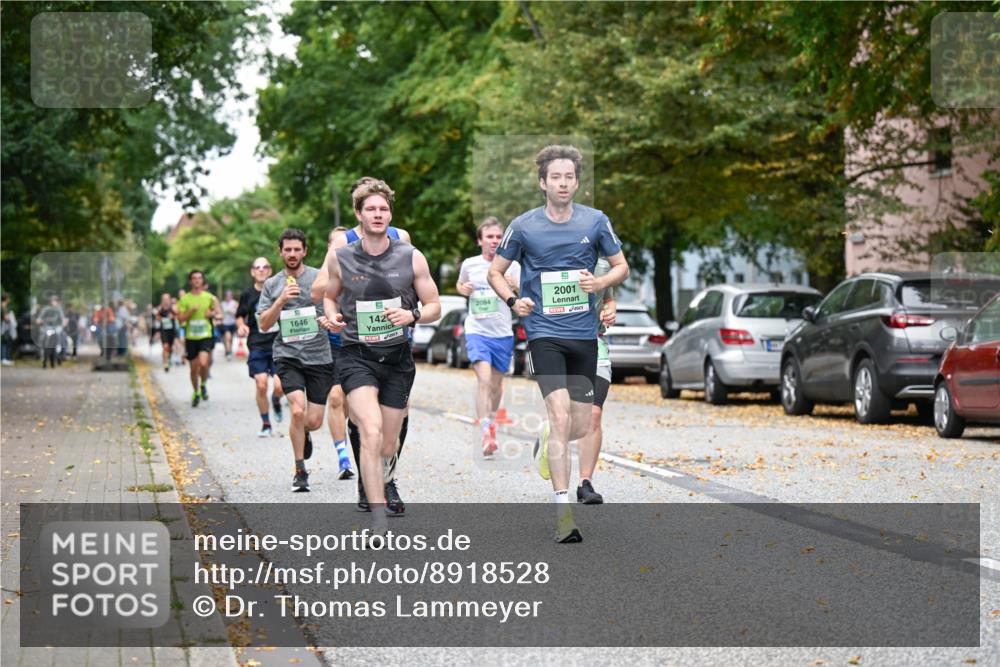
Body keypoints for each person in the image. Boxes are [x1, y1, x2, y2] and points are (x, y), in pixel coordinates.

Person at [488, 144, 629, 543]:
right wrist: (515, 301)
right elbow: (495, 273)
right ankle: (564, 514)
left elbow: (621, 266)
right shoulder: (524, 226)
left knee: (581, 424)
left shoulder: (596, 221)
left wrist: (599, 284)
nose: (563, 183)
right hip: (544, 334)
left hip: (584, 335)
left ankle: (551, 438)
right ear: (542, 183)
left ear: (577, 182)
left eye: (569, 177)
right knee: (562, 415)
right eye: (556, 177)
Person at [322, 177, 440, 537]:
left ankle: (382, 473)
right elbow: (329, 295)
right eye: (370, 208)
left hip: (397, 358)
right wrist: (332, 316)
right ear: (359, 215)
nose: (378, 214)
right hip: (357, 355)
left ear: (391, 214)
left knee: (388, 443)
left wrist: (413, 315)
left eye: (384, 208)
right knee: (370, 431)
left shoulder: (410, 256)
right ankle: (377, 520)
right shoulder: (341, 257)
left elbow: (434, 304)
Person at [258, 229, 334, 493]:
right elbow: (264, 324)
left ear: (305, 251)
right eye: (287, 249)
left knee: (313, 421)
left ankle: (305, 433)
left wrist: (328, 320)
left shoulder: (318, 279)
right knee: (298, 411)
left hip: (319, 357)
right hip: (287, 356)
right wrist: (280, 300)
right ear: (280, 252)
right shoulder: (272, 285)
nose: (291, 254)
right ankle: (300, 470)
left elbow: (332, 311)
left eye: (296, 249)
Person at [456, 217, 521, 457]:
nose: (494, 241)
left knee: (496, 385)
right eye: (489, 237)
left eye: (498, 237)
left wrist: (515, 286)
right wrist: (462, 289)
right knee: (484, 380)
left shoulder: (513, 266)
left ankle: (491, 423)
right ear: (480, 240)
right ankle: (485, 430)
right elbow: (461, 284)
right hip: (477, 330)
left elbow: (525, 292)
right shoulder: (470, 264)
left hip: (502, 333)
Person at [308, 227, 355, 479]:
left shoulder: (365, 266)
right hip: (331, 346)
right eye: (336, 243)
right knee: (336, 398)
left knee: (353, 404)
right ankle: (343, 457)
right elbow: (311, 306)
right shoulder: (321, 275)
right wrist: (321, 319)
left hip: (359, 343)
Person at [577, 258, 617, 504]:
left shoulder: (603, 264)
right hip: (559, 347)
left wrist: (611, 309)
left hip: (596, 345)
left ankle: (585, 482)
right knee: (567, 417)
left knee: (593, 414)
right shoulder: (553, 254)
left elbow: (608, 296)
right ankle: (550, 432)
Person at [236, 257, 286, 437]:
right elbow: (240, 315)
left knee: (280, 387)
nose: (261, 270)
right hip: (257, 344)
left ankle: (276, 400)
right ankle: (266, 423)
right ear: (252, 271)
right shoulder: (247, 294)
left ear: (270, 271)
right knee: (261, 384)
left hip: (278, 344)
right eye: (257, 267)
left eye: (265, 267)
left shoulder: (279, 292)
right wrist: (241, 325)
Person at [177, 271, 220, 407]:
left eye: (199, 278)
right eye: (194, 278)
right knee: (193, 369)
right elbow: (180, 319)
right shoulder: (185, 299)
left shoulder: (209, 298)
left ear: (202, 281)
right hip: (191, 338)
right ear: (190, 281)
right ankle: (196, 392)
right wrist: (191, 311)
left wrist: (211, 313)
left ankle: (203, 384)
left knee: (203, 363)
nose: (197, 280)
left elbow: (220, 315)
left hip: (205, 336)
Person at [154, 293, 178, 373]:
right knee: (165, 346)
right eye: (164, 299)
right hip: (163, 330)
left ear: (169, 300)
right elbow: (156, 318)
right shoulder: (160, 308)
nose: (165, 301)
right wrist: (160, 318)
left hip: (172, 330)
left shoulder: (173, 308)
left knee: (170, 348)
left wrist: (173, 317)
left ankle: (168, 358)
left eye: (167, 299)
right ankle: (165, 363)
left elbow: (179, 316)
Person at [220, 290, 239, 360]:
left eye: (229, 296)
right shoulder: (222, 304)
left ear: (231, 296)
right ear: (225, 297)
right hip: (225, 323)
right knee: (227, 336)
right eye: (227, 296)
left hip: (233, 323)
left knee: (230, 338)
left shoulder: (235, 303)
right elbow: (220, 313)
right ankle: (228, 352)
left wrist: (230, 311)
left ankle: (229, 349)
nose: (228, 297)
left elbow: (238, 313)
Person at [2, 294, 17, 366]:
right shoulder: (3, 307)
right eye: (9, 298)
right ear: (6, 299)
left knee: (6, 342)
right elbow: (5, 318)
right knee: (5, 343)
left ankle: (5, 358)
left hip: (4, 328)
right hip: (4, 328)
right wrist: (11, 317)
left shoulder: (4, 307)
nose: (9, 299)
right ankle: (4, 359)